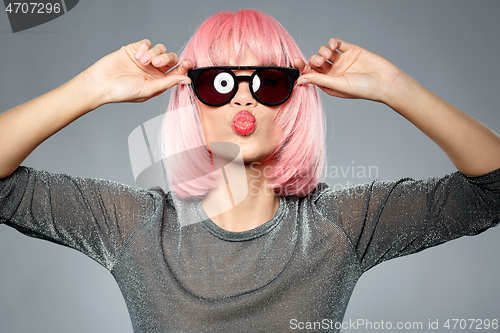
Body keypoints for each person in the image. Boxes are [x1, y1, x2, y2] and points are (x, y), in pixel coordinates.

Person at [0, 9, 499, 333]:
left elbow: (492, 191)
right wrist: (91, 88)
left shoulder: (339, 225)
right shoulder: (135, 226)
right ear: (190, 101)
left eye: (269, 82)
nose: (243, 95)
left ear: (294, 103)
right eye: (218, 83)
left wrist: (395, 86)